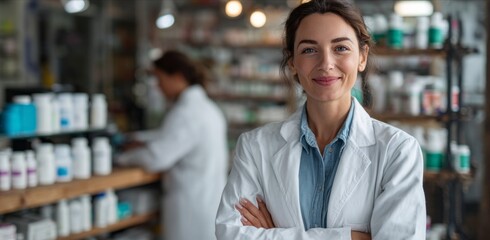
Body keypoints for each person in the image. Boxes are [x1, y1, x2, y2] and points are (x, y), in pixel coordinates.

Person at [215, 0, 426, 239]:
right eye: (309, 50)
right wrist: (350, 237)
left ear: (362, 57)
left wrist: (276, 234)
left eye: (341, 48)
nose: (326, 64)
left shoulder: (397, 151)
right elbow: (231, 233)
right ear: (293, 62)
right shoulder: (255, 146)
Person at [116, 50, 228, 240]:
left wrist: (121, 158)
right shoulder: (207, 108)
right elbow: (175, 139)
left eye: (160, 79)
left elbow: (156, 158)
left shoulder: (186, 112)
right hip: (209, 201)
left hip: (190, 206)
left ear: (176, 76)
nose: (158, 87)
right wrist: (144, 141)